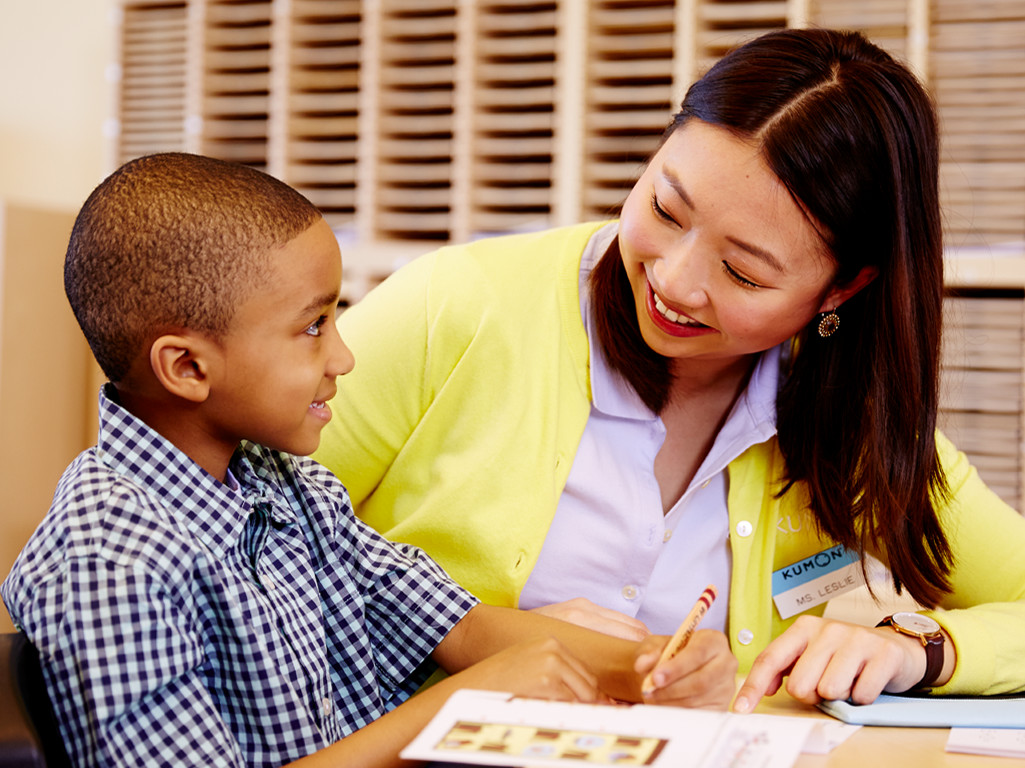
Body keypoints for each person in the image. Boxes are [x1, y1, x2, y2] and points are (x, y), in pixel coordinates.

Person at [313, 26, 1025, 714]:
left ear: (840, 290)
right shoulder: (458, 307)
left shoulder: (846, 419)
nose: (675, 282)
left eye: (743, 273)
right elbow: (229, 550)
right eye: (664, 207)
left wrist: (920, 647)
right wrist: (473, 637)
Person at [1, 153, 737, 768]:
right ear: (188, 368)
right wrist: (458, 704)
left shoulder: (291, 488)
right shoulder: (109, 556)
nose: (344, 357)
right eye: (313, 327)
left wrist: (652, 670)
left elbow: (458, 623)